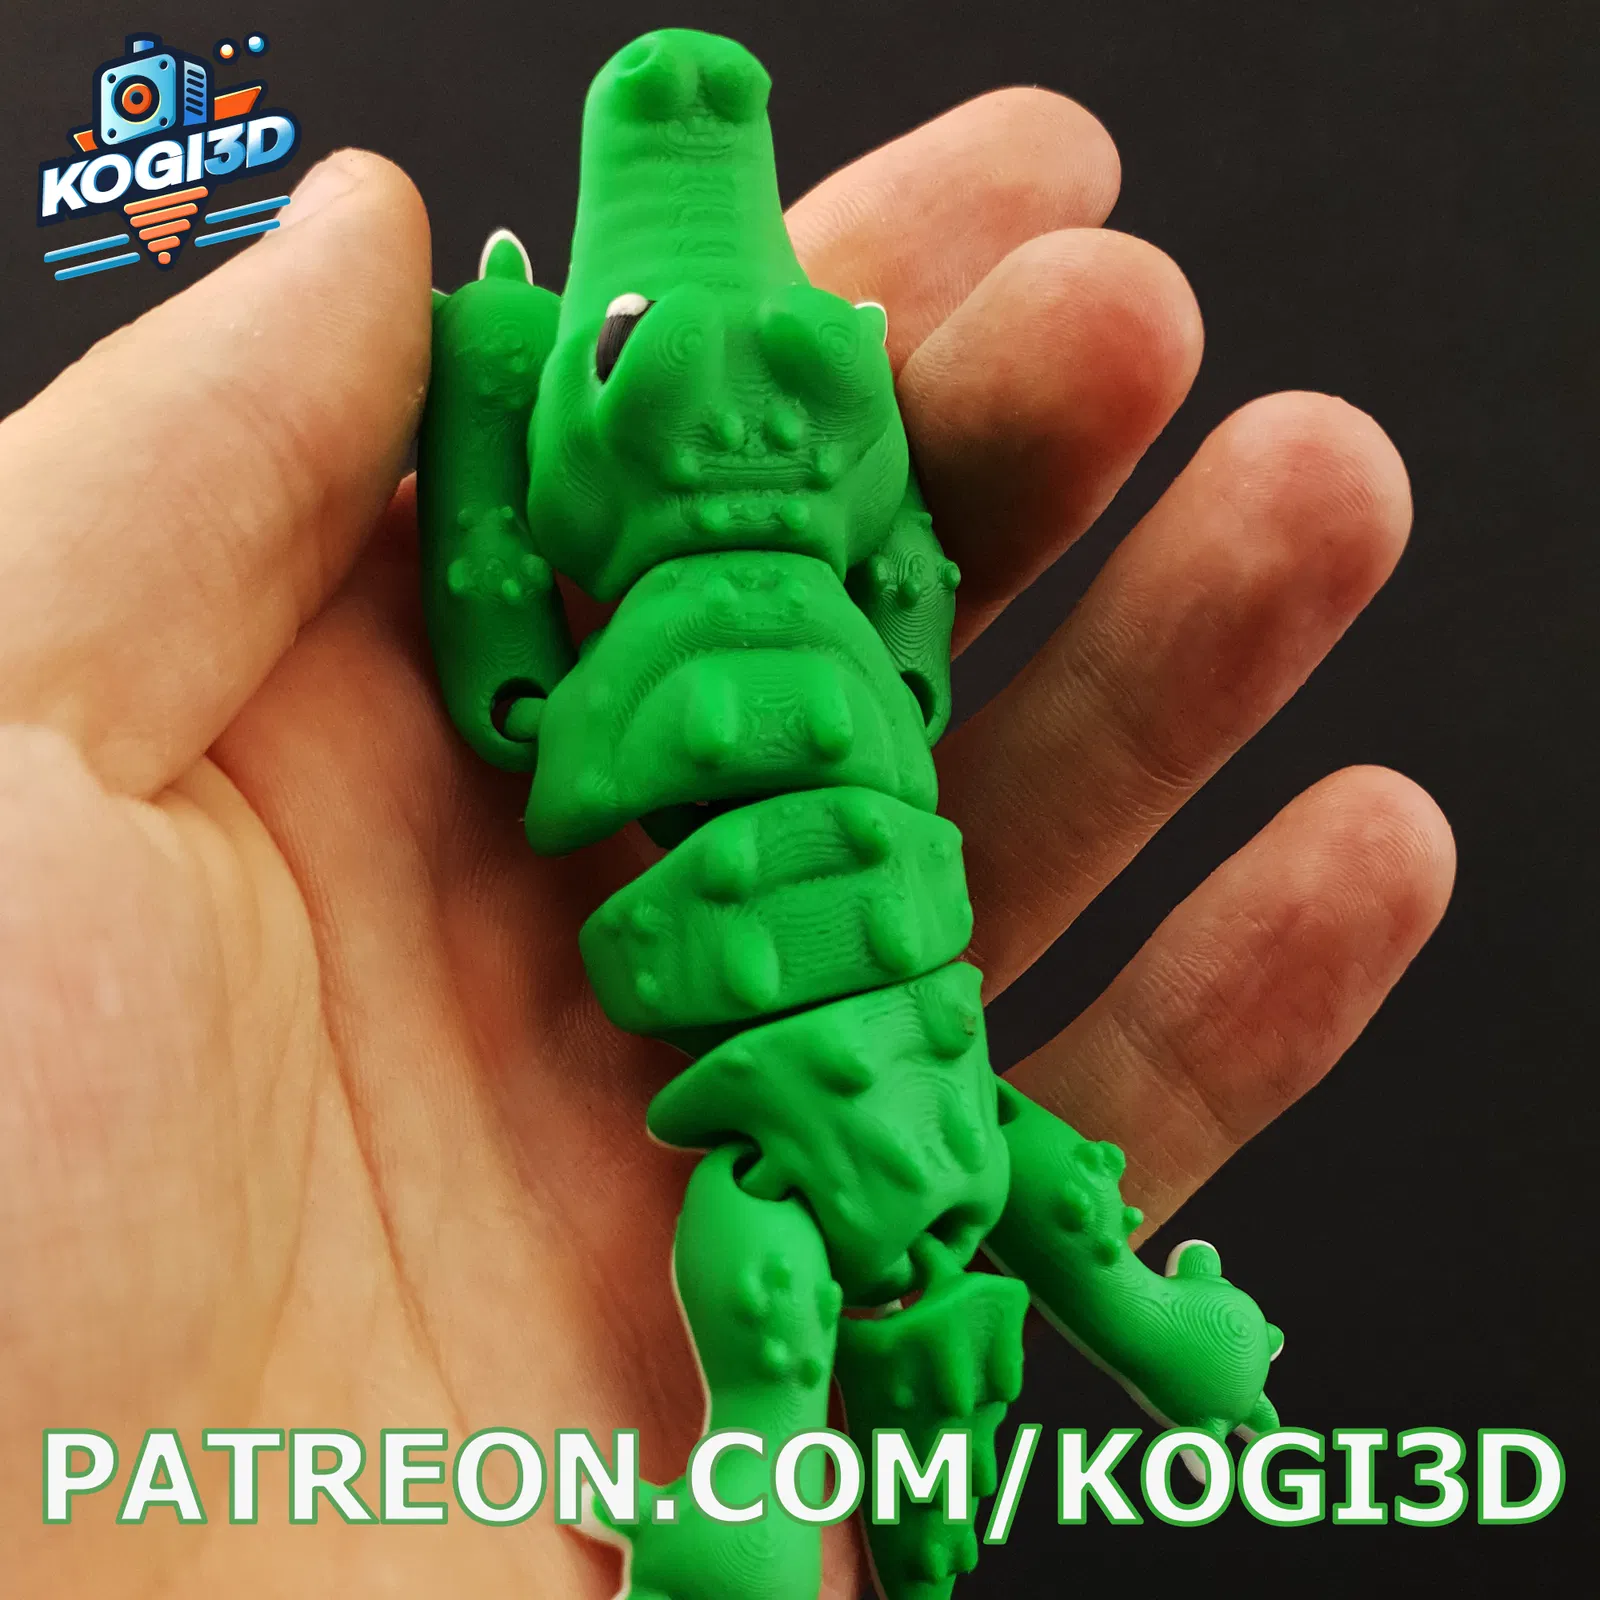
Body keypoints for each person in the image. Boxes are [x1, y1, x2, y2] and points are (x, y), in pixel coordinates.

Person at [0, 88, 1453, 1597]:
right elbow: (683, 617)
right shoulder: (784, 596)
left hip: (877, 969)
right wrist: (518, 461)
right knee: (980, 1166)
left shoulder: (661, 591)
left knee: (814, 1211)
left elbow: (554, 645)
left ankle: (770, 1474)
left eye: (813, 369)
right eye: (639, 353)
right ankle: (1140, 1346)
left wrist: (502, 418)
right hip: (911, 1001)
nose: (754, 419)